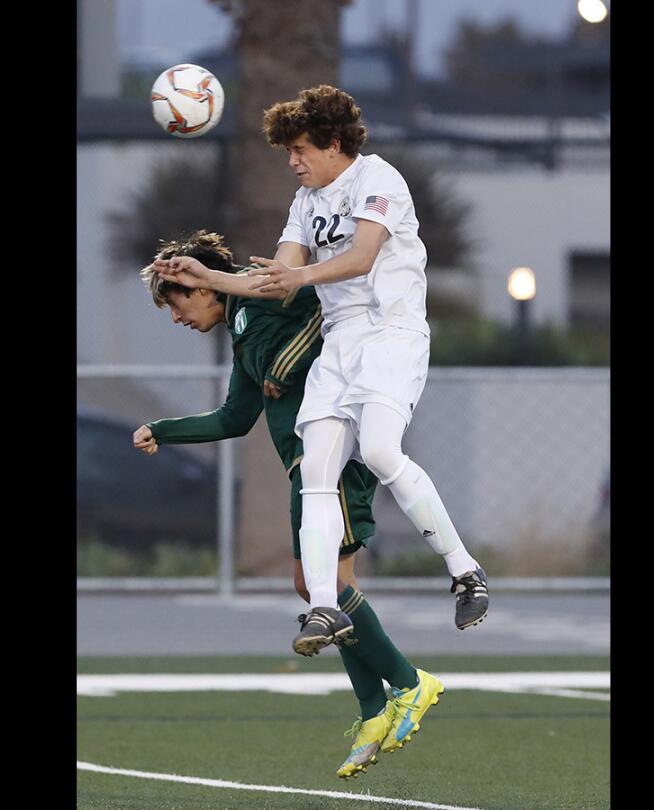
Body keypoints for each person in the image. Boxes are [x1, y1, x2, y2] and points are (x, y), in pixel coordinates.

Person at [153, 86, 489, 668]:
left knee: (382, 451)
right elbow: (275, 279)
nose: (293, 161)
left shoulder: (379, 179)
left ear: (334, 144)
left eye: (301, 149)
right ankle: (325, 607)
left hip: (391, 331)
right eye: (287, 152)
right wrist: (208, 274)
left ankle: (465, 572)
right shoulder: (304, 202)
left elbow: (359, 259)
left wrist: (299, 277)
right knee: (316, 470)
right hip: (341, 340)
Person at [133, 230, 441, 778]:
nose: (176, 317)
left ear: (202, 285)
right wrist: (163, 429)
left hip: (335, 456)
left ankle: (410, 685)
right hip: (306, 469)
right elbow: (233, 417)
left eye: (177, 301)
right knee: (319, 586)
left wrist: (285, 367)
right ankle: (373, 709)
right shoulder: (244, 334)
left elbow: (322, 311)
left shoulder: (262, 292)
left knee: (323, 585)